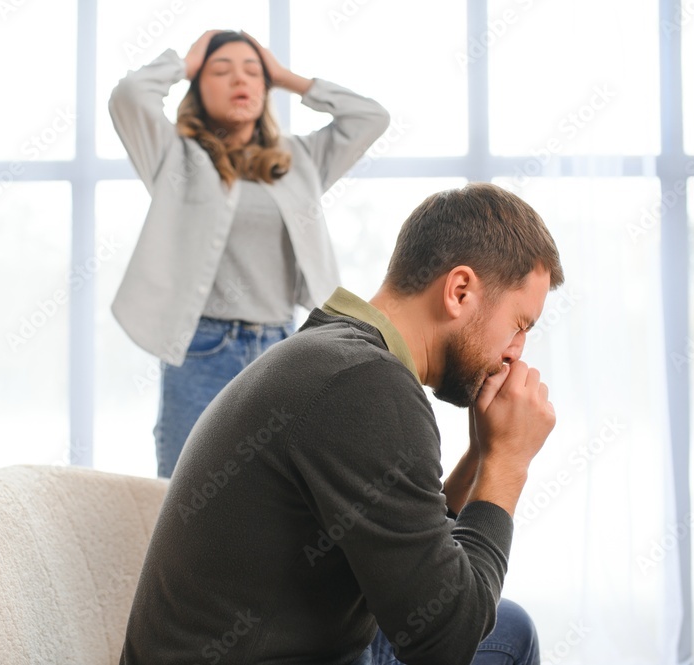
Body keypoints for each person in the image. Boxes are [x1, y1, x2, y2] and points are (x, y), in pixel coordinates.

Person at [118, 183, 564, 665]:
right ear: (459, 291)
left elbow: (421, 566)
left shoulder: (338, 355)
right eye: (520, 324)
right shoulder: (367, 385)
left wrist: (481, 455)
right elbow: (445, 642)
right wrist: (508, 462)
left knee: (507, 625)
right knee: (503, 636)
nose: (517, 351)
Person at [108, 30, 391, 477]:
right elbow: (128, 95)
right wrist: (184, 62)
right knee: (183, 495)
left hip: (281, 349)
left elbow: (370, 117)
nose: (240, 79)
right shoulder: (173, 156)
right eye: (220, 70)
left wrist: (290, 78)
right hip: (203, 350)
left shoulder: (299, 160)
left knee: (274, 495)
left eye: (253, 71)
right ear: (198, 88)